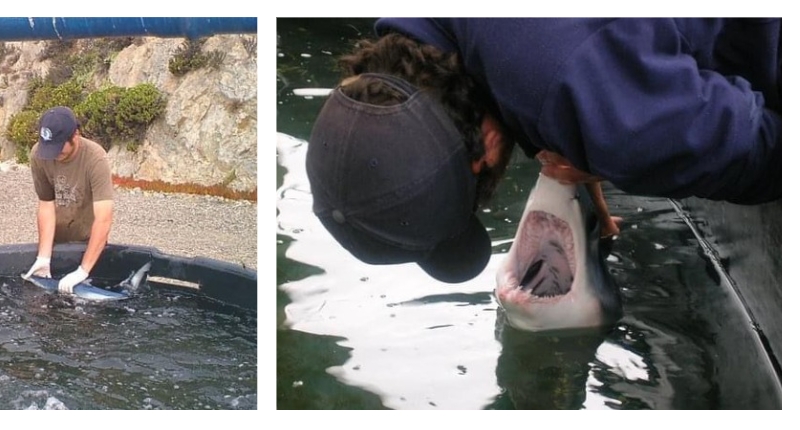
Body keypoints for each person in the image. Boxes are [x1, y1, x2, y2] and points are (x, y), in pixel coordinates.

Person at [306, 18, 780, 283]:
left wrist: (616, 138)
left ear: (485, 152)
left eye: (473, 200)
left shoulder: (619, 126)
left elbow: (772, 155)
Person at [22, 106, 115, 293]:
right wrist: (43, 258)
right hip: (57, 239)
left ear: (75, 135)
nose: (53, 155)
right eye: (48, 148)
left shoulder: (95, 159)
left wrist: (83, 270)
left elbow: (103, 219)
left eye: (58, 148)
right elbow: (46, 204)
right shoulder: (39, 154)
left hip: (88, 241)